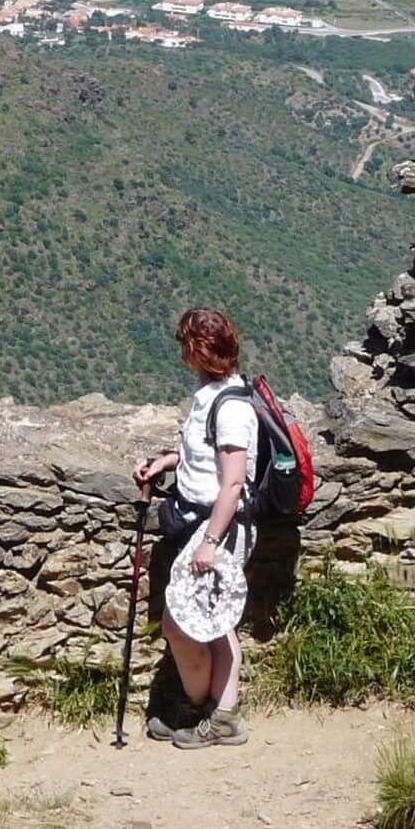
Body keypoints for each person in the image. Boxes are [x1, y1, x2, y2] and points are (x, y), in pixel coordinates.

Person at [134, 307, 257, 748]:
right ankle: (207, 712)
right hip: (204, 524)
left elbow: (234, 482)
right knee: (210, 623)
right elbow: (204, 457)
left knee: (183, 625)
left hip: (218, 529)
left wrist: (209, 543)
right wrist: (167, 462)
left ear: (198, 352)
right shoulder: (211, 393)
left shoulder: (232, 409)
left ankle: (211, 714)